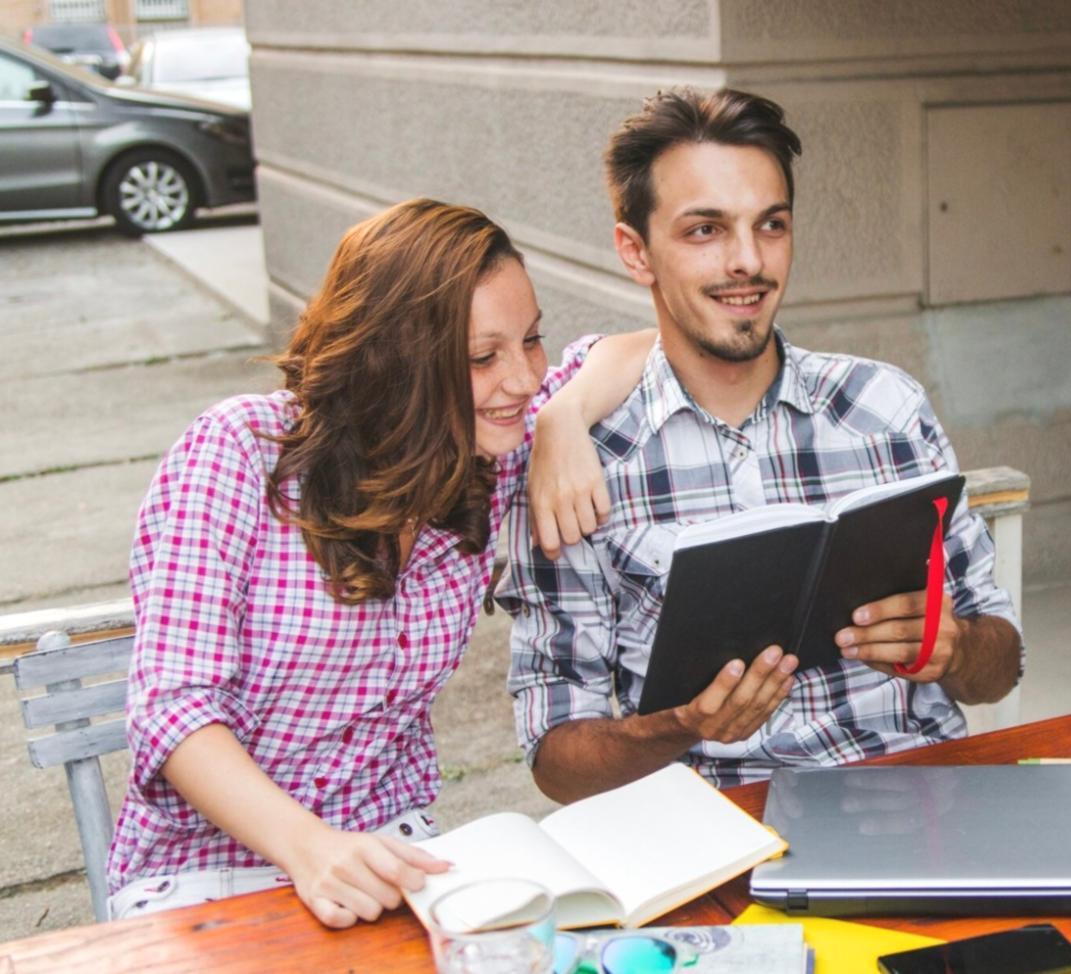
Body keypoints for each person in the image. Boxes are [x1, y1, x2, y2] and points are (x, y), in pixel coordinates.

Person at [106, 199, 652, 926]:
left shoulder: (487, 446)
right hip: (207, 877)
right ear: (393, 360)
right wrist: (311, 849)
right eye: (482, 357)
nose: (522, 378)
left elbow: (644, 345)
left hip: (395, 860)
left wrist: (563, 419)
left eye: (532, 340)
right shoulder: (240, 452)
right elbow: (174, 711)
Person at [499, 89, 1023, 803]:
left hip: (921, 806)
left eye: (770, 225)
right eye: (705, 230)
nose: (748, 261)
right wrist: (678, 726)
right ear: (635, 251)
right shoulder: (583, 466)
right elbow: (556, 761)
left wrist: (955, 647)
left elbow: (1001, 669)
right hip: (720, 835)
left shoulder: (885, 408)